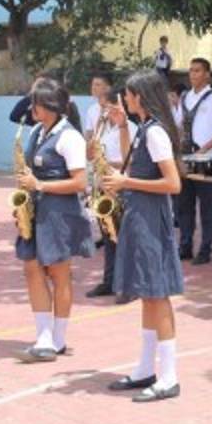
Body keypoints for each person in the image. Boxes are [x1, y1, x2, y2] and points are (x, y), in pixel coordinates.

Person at [102, 71, 185, 402]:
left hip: (151, 218)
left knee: (157, 294)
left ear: (140, 96)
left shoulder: (156, 133)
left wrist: (127, 183)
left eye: (128, 94)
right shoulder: (144, 129)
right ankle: (145, 368)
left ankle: (169, 376)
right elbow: (132, 164)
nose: (125, 99)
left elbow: (173, 184)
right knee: (148, 295)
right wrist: (123, 127)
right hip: (140, 215)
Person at [15, 80, 95, 362]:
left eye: (36, 103)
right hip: (37, 209)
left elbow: (80, 182)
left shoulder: (70, 137)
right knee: (32, 268)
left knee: (59, 273)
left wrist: (40, 185)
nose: (31, 108)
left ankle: (57, 338)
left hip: (60, 211)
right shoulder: (37, 131)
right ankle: (44, 336)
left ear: (50, 106)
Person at [84, 74, 135, 303]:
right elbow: (89, 155)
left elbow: (130, 161)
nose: (104, 112)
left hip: (121, 188)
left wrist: (107, 164)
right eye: (103, 108)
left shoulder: (130, 128)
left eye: (108, 107)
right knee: (108, 238)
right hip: (103, 187)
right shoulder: (102, 128)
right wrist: (93, 140)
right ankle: (110, 281)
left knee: (123, 238)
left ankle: (128, 285)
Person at [177, 58, 212, 265]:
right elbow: (179, 125)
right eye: (191, 70)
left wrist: (204, 149)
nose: (193, 74)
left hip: (207, 159)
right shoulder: (185, 97)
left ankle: (205, 249)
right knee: (184, 205)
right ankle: (185, 246)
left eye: (197, 70)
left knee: (207, 207)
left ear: (207, 74)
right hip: (186, 157)